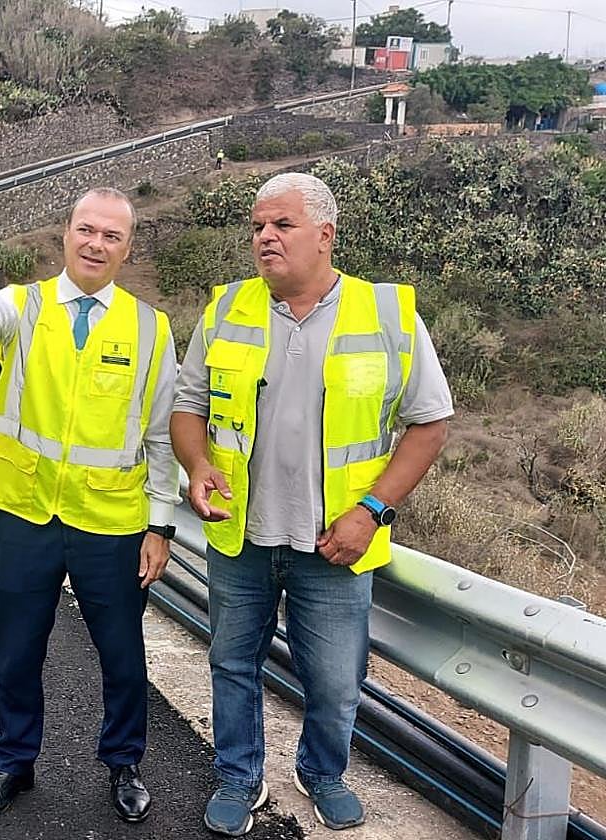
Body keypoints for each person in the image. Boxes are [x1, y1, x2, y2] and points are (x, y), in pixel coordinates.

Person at [170, 173, 451, 835]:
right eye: (257, 227)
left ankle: (322, 772)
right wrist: (198, 465)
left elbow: (430, 423)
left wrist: (371, 512)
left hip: (335, 545)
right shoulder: (226, 309)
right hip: (241, 535)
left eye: (282, 225)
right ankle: (238, 776)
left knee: (334, 681)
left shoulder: (386, 315)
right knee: (232, 664)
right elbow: (188, 406)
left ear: (325, 234)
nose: (265, 237)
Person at [0, 187, 179, 824]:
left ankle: (124, 762)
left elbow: (160, 435)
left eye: (111, 236)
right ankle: (14, 762)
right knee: (17, 652)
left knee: (122, 656)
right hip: (27, 513)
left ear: (128, 248)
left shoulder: (150, 329)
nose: (96, 244)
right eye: (86, 230)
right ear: (65, 233)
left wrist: (160, 525)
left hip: (110, 522)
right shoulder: (26, 304)